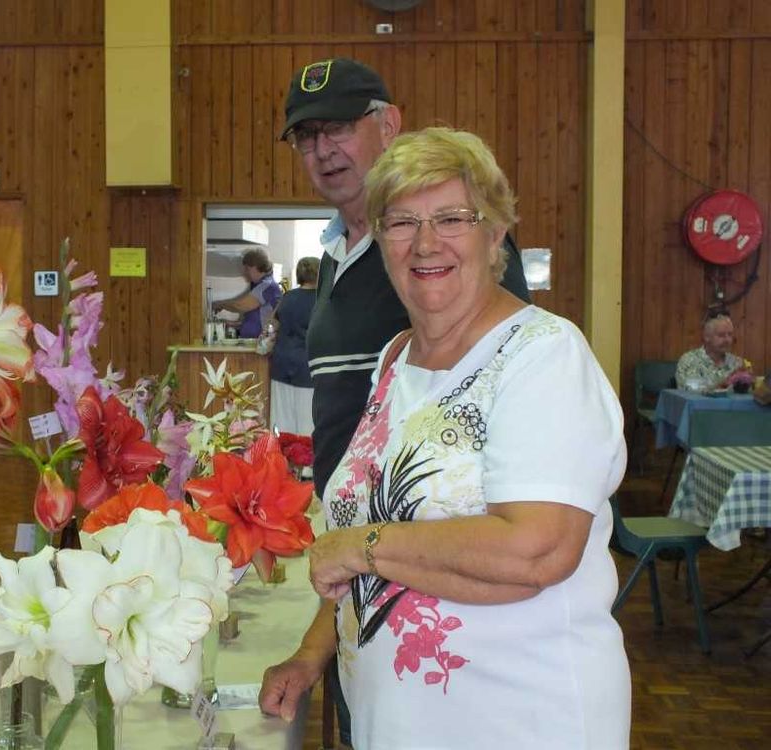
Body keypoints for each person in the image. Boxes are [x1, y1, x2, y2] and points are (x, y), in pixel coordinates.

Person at [263, 126, 630, 748]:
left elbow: (537, 551)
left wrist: (360, 546)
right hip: (402, 724)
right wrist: (310, 653)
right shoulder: (395, 359)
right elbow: (371, 544)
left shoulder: (541, 356)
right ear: (380, 242)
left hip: (519, 718)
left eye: (452, 218)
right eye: (401, 222)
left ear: (494, 235)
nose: (425, 243)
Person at [258, 56, 531, 745]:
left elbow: (495, 397)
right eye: (306, 136)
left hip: (446, 588)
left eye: (340, 128)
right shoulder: (339, 252)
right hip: (362, 574)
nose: (324, 150)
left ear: (389, 125)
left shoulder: (444, 262)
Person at [269, 256, 320, 436]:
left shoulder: (287, 297)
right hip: (308, 368)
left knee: (281, 425)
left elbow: (272, 324)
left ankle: (280, 463)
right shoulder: (322, 300)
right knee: (307, 426)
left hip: (281, 365)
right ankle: (305, 465)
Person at [212, 248, 282, 339]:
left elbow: (240, 306)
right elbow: (257, 320)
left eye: (247, 269)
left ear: (258, 267)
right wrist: (231, 324)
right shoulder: (260, 285)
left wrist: (220, 304)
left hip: (261, 344)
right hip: (254, 342)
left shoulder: (266, 286)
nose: (245, 272)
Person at [675, 313, 746, 391]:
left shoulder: (737, 363)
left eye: (730, 334)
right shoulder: (689, 361)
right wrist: (721, 384)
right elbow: (688, 391)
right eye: (721, 335)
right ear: (706, 337)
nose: (727, 340)